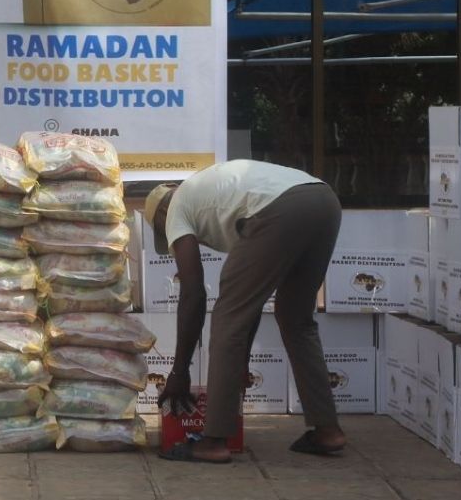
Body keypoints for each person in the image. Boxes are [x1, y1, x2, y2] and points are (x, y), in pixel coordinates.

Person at [141, 160, 347, 464]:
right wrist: (239, 364)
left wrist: (179, 372)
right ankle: (327, 430)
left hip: (283, 207)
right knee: (296, 318)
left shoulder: (175, 209)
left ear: (161, 215)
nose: (174, 241)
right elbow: (249, 305)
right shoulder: (219, 196)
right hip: (323, 201)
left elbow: (194, 293)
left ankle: (213, 441)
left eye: (165, 234)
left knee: (226, 317)